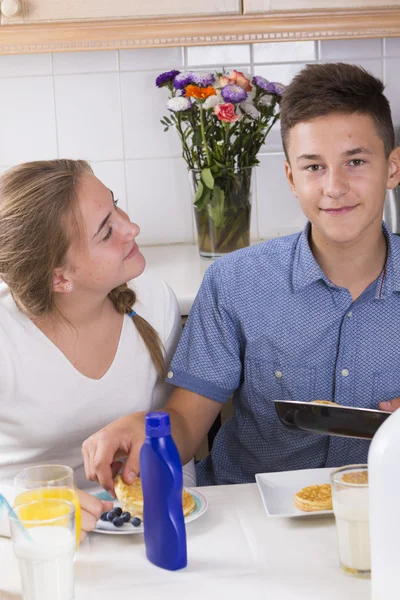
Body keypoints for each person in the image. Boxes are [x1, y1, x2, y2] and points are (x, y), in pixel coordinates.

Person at [82, 62, 400, 492]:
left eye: (356, 161)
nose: (334, 187)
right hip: (250, 515)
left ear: (393, 168)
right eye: (313, 167)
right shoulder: (235, 282)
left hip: (382, 508)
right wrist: (146, 432)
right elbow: (186, 424)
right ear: (290, 176)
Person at [0, 159, 195, 538]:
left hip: (135, 528)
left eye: (116, 204)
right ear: (59, 277)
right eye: (107, 232)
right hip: (28, 537)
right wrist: (27, 510)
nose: (132, 227)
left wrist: (172, 508)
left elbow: (171, 436)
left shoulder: (154, 302)